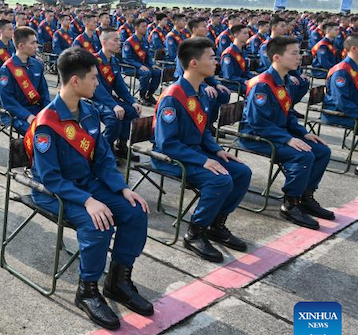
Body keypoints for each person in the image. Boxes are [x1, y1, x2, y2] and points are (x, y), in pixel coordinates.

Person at [27, 47, 152, 330]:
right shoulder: (47, 123)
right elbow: (50, 178)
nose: (98, 82)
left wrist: (121, 188)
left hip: (87, 185)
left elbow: (104, 158)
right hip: (55, 193)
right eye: (94, 78)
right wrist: (87, 201)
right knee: (99, 223)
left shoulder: (90, 111)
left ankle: (118, 281)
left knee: (135, 210)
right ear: (75, 81)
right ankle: (87, 290)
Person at [153, 37, 252, 262]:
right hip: (171, 157)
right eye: (211, 58)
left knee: (241, 172)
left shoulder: (201, 92)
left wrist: (216, 151)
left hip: (195, 152)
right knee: (220, 180)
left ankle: (216, 224)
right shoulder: (173, 96)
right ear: (194, 63)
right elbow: (167, 143)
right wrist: (203, 160)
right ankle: (194, 233)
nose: (216, 62)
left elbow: (204, 129)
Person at [239, 36, 333, 229]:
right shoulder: (262, 84)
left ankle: (305, 196)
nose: (299, 57)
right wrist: (288, 139)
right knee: (303, 155)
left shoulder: (286, 80)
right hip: (256, 137)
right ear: (277, 57)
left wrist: (303, 133)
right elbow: (258, 123)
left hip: (277, 133)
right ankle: (290, 203)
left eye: (299, 52)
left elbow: (288, 113)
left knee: (322, 151)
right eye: (294, 53)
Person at [91, 29, 141, 160]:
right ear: (104, 42)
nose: (119, 43)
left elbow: (120, 86)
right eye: (115, 40)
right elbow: (97, 89)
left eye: (119, 40)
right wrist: (114, 105)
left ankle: (122, 146)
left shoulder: (113, 61)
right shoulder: (94, 61)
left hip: (107, 99)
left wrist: (132, 102)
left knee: (132, 111)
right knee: (114, 117)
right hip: (93, 99)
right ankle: (105, 149)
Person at [0, 27, 51, 135]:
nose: (36, 46)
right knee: (41, 133)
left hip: (36, 109)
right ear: (21, 46)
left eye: (36, 42)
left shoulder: (37, 64)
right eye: (33, 43)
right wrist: (27, 116)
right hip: (16, 114)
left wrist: (48, 111)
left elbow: (44, 91)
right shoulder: (7, 69)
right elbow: (8, 101)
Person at [323, 34, 358, 136]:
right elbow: (341, 102)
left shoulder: (354, 67)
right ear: (354, 49)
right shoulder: (341, 71)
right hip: (337, 113)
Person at [122, 18, 161, 105]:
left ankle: (149, 95)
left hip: (143, 65)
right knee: (146, 73)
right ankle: (142, 96)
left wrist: (152, 64)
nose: (145, 28)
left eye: (146, 26)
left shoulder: (144, 40)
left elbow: (148, 56)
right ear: (136, 28)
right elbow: (127, 59)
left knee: (158, 72)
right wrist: (139, 66)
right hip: (131, 66)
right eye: (143, 27)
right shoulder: (129, 42)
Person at [220, 24, 255, 94]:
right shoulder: (228, 54)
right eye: (244, 33)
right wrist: (244, 81)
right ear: (236, 35)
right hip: (233, 83)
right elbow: (229, 76)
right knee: (255, 89)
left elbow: (246, 72)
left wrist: (255, 78)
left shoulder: (243, 51)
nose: (247, 36)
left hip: (242, 81)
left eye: (247, 33)